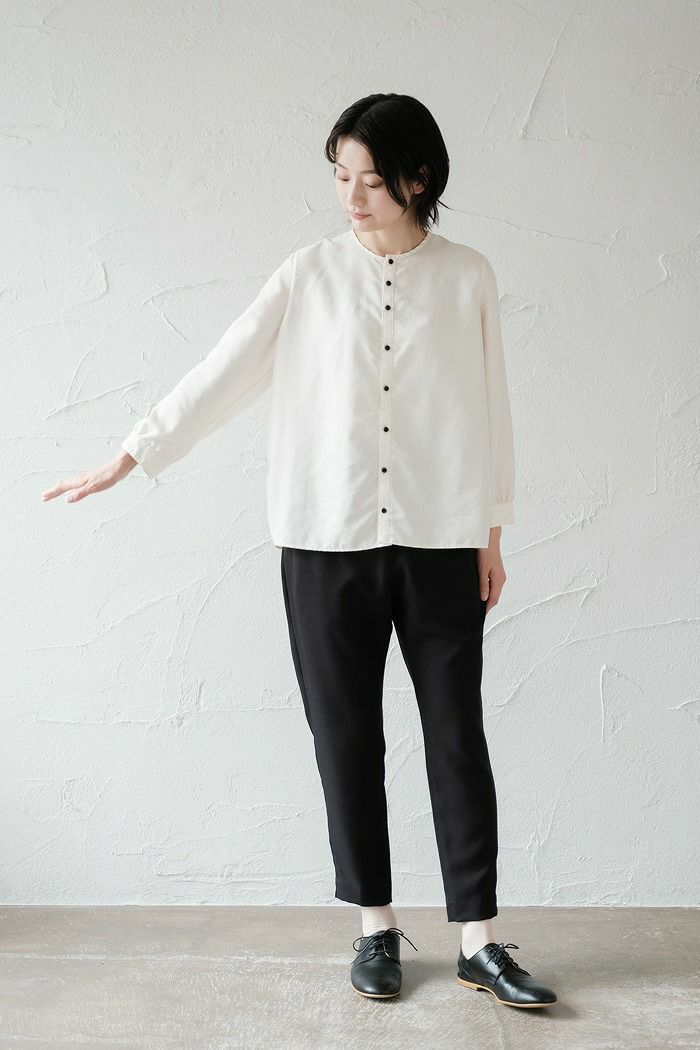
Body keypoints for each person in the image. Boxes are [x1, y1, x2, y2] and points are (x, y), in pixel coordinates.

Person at [41, 93, 557, 1010]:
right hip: (324, 541)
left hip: (442, 539)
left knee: (457, 736)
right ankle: (375, 926)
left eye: (371, 180)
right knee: (346, 736)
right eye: (340, 176)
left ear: (419, 180)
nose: (351, 197)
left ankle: (479, 940)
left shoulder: (468, 275)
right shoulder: (308, 273)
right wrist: (133, 452)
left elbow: (493, 406)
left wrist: (493, 531)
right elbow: (226, 368)